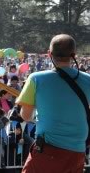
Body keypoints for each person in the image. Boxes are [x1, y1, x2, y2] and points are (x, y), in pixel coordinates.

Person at [17, 34, 90, 173]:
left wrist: (39, 114)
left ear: (49, 54)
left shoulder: (36, 79)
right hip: (77, 152)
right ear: (73, 54)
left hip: (48, 150)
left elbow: (26, 116)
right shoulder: (88, 80)